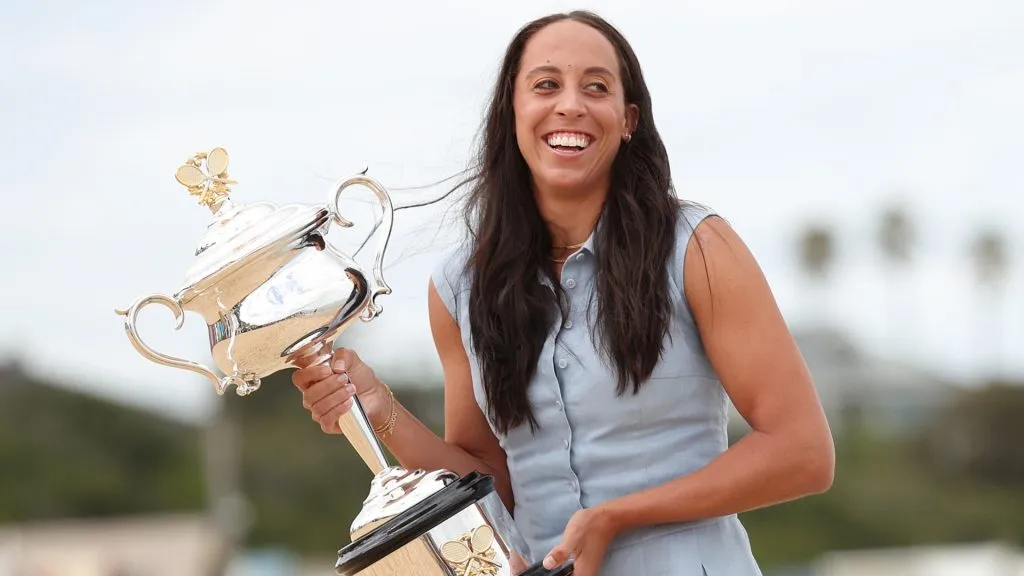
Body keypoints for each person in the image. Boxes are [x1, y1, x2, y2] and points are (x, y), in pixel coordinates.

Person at [292, 10, 834, 576]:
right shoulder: (459, 289)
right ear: (512, 113)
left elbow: (801, 452)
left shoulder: (697, 248)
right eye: (546, 85)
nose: (570, 104)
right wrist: (382, 411)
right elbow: (489, 481)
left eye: (596, 87)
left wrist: (618, 516)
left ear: (628, 120)